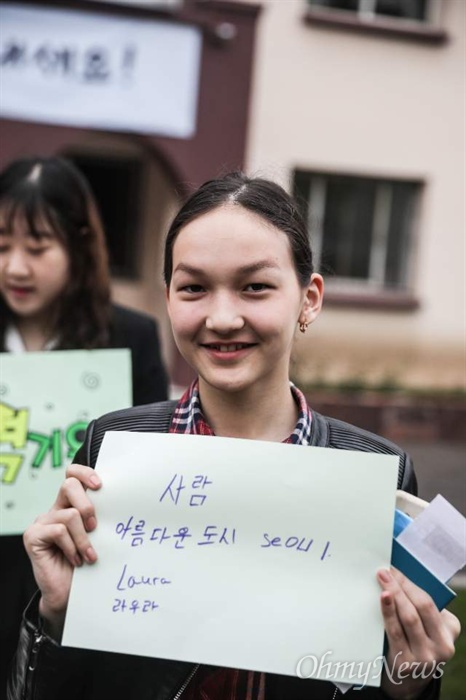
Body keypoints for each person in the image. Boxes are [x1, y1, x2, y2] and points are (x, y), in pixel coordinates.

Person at [8, 173, 459, 700]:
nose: (222, 318)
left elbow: (376, 669)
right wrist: (57, 616)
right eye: (194, 287)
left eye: (255, 287)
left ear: (309, 299)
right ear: (169, 299)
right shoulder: (112, 446)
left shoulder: (378, 472)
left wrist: (407, 684)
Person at [0, 155, 169, 691]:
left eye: (37, 247)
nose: (15, 267)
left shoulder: (130, 338)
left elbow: (149, 475)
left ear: (78, 245)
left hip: (80, 582)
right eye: (2, 245)